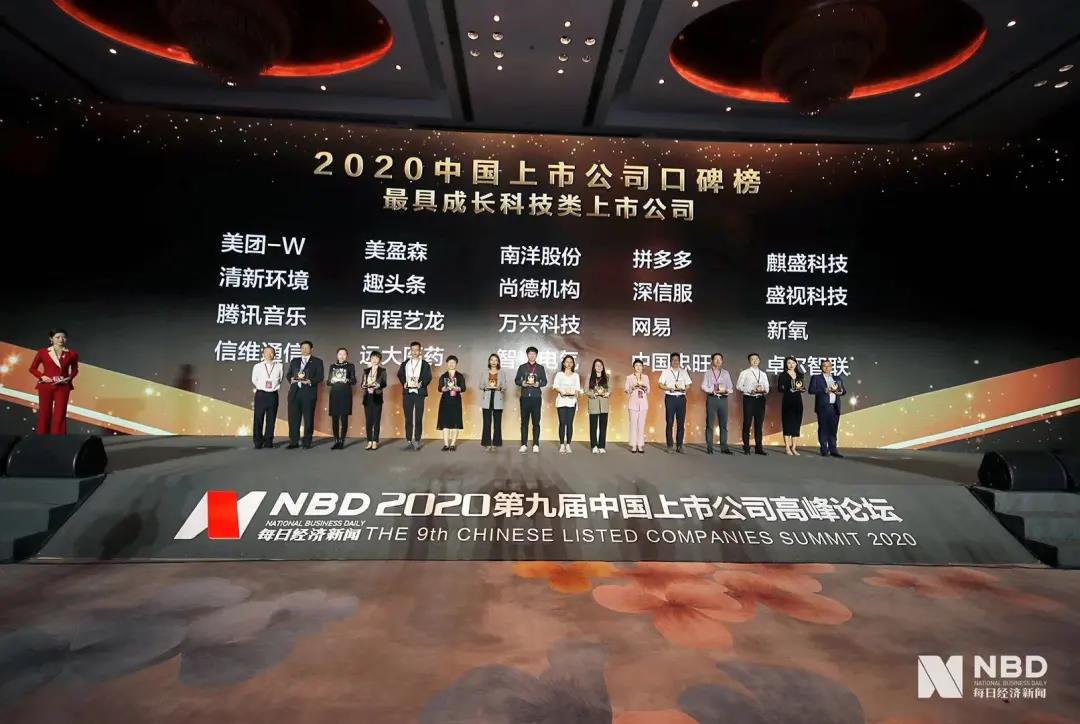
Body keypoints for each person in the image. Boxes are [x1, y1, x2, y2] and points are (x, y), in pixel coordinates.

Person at [27, 328, 79, 435]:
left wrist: (69, 378)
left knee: (60, 414)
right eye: (57, 337)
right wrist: (42, 376)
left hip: (63, 386)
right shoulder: (42, 352)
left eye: (63, 337)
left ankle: (58, 439)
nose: (61, 339)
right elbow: (32, 368)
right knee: (44, 413)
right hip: (46, 386)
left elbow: (75, 370)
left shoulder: (72, 354)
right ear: (51, 339)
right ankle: (42, 438)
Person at [286, 341, 323, 449]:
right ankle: (294, 441)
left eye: (307, 347)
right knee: (293, 418)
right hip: (294, 393)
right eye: (302, 348)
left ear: (311, 349)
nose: (304, 350)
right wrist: (291, 379)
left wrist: (310, 381)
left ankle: (307, 442)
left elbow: (320, 377)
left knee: (308, 418)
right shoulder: (295, 361)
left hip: (308, 393)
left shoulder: (317, 361)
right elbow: (289, 374)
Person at [396, 341, 432, 450]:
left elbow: (428, 377)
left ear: (420, 351)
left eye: (417, 350)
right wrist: (404, 383)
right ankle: (408, 440)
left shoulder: (425, 364)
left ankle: (417, 440)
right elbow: (400, 374)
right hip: (408, 393)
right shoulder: (405, 363)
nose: (415, 352)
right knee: (408, 418)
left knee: (418, 418)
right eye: (413, 350)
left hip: (419, 393)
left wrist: (422, 383)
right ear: (410, 351)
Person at [808, 359, 847, 458]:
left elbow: (844, 391)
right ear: (821, 367)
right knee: (823, 428)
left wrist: (841, 391)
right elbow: (811, 390)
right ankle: (824, 449)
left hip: (835, 407)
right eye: (824, 366)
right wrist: (824, 390)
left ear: (831, 367)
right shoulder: (816, 378)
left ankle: (833, 449)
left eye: (828, 366)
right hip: (823, 407)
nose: (826, 368)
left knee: (833, 429)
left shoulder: (837, 378)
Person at [514, 346, 547, 453]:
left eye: (533, 354)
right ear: (527, 355)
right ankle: (523, 444)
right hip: (524, 397)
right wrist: (522, 383)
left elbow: (545, 381)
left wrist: (538, 384)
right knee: (524, 422)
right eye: (530, 354)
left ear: (536, 355)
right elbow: (516, 380)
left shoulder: (540, 368)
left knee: (536, 422)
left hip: (536, 397)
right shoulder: (522, 367)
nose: (532, 356)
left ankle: (536, 444)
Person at [700, 352, 733, 455]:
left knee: (723, 424)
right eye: (716, 359)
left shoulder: (726, 373)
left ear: (722, 361)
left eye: (720, 359)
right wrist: (712, 390)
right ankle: (709, 447)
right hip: (712, 399)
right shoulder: (708, 373)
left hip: (723, 399)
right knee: (710, 424)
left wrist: (726, 391)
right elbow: (703, 386)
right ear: (712, 361)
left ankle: (724, 447)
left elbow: (730, 388)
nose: (718, 361)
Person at [736, 352, 769, 456]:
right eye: (752, 359)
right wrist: (750, 390)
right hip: (749, 399)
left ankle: (759, 447)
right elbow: (738, 386)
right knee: (747, 423)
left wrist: (763, 390)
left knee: (759, 424)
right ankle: (746, 447)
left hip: (760, 400)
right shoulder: (744, 373)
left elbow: (767, 388)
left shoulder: (763, 374)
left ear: (759, 360)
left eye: (756, 359)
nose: (755, 361)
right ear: (749, 361)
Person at [250, 345, 283, 449]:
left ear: (274, 354)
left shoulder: (279, 366)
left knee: (271, 419)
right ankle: (258, 441)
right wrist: (262, 387)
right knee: (258, 418)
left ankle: (268, 441)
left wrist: (272, 387)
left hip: (273, 394)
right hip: (261, 394)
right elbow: (254, 380)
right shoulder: (257, 366)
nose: (269, 354)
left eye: (271, 352)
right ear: (263, 354)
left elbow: (280, 379)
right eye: (266, 352)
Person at [657, 352, 690, 453]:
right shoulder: (666, 372)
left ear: (680, 361)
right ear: (670, 361)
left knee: (681, 423)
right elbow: (660, 385)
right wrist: (669, 388)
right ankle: (670, 445)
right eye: (673, 360)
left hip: (681, 398)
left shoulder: (684, 372)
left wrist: (684, 389)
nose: (675, 362)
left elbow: (688, 384)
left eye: (677, 360)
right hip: (670, 398)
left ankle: (679, 445)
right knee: (670, 422)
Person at [327, 348, 357, 450]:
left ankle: (342, 441)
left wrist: (346, 379)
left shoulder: (350, 366)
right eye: (340, 354)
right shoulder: (332, 366)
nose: (342, 356)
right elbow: (328, 382)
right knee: (335, 418)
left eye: (344, 354)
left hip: (345, 394)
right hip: (335, 394)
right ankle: (336, 440)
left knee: (344, 418)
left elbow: (354, 381)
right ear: (337, 355)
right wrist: (331, 380)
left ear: (347, 356)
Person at [778, 355, 806, 456]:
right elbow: (780, 389)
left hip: (798, 402)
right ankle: (787, 447)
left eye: (793, 363)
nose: (791, 365)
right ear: (786, 364)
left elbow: (802, 387)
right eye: (789, 363)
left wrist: (802, 389)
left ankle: (794, 447)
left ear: (796, 364)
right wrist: (789, 389)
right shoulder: (783, 375)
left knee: (796, 425)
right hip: (787, 401)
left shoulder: (800, 375)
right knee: (787, 424)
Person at [553, 354, 581, 454]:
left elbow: (577, 389)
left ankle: (568, 444)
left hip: (571, 402)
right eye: (567, 362)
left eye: (571, 362)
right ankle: (562, 445)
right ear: (564, 363)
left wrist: (574, 393)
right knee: (562, 423)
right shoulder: (559, 374)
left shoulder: (576, 376)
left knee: (569, 423)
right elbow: (555, 386)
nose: (569, 364)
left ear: (573, 364)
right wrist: (562, 391)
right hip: (561, 401)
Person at [437, 355, 465, 451]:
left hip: (456, 401)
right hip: (445, 401)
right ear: (447, 363)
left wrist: (458, 388)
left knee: (455, 423)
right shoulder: (443, 376)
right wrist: (443, 388)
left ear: (456, 364)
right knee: (445, 423)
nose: (451, 364)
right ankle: (446, 444)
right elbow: (439, 388)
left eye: (453, 362)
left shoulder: (460, 376)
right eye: (449, 362)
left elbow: (464, 388)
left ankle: (452, 444)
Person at [361, 350, 388, 450]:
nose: (374, 360)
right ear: (370, 359)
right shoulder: (366, 371)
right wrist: (363, 385)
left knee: (376, 420)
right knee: (368, 420)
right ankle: (369, 441)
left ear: (380, 360)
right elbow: (362, 383)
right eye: (373, 358)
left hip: (377, 397)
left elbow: (384, 383)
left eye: (377, 358)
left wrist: (378, 385)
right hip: (367, 397)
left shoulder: (382, 370)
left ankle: (375, 441)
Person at [480, 353, 507, 451]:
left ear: (498, 362)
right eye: (492, 360)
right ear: (489, 361)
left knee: (497, 423)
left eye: (496, 360)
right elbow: (480, 385)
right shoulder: (484, 372)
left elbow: (505, 386)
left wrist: (500, 388)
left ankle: (496, 443)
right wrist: (486, 387)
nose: (494, 362)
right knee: (486, 423)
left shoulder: (502, 373)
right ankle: (487, 443)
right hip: (487, 399)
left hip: (498, 399)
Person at [585, 358, 611, 454]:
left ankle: (602, 446)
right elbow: (586, 390)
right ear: (594, 367)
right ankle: (594, 446)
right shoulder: (590, 377)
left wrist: (608, 393)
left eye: (600, 365)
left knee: (603, 427)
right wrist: (593, 394)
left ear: (603, 367)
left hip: (604, 404)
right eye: (597, 365)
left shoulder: (607, 377)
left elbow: (610, 388)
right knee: (593, 426)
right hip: (594, 403)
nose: (599, 367)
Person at [625, 358, 650, 453]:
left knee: (641, 425)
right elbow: (626, 390)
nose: (638, 367)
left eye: (640, 365)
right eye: (636, 365)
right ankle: (633, 445)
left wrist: (644, 388)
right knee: (633, 424)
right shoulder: (629, 377)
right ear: (633, 367)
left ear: (642, 367)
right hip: (633, 404)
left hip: (643, 404)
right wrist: (633, 387)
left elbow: (648, 390)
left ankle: (640, 445)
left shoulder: (645, 377)